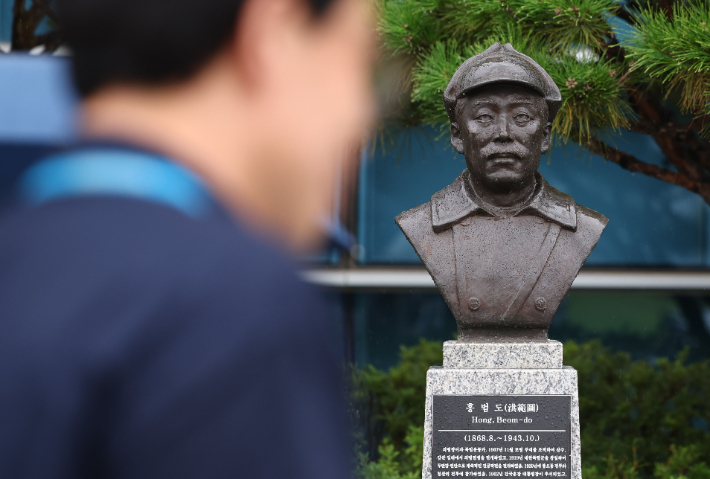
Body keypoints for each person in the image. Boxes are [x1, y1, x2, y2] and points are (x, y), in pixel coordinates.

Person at [0, 0, 375, 477]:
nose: (362, 115)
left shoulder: (17, 258)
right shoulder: (235, 304)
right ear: (272, 32)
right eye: (362, 67)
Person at [396, 43, 607, 342]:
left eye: (522, 117)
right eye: (484, 117)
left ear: (545, 136)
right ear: (457, 135)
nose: (503, 133)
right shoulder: (423, 225)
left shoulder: (582, 227)